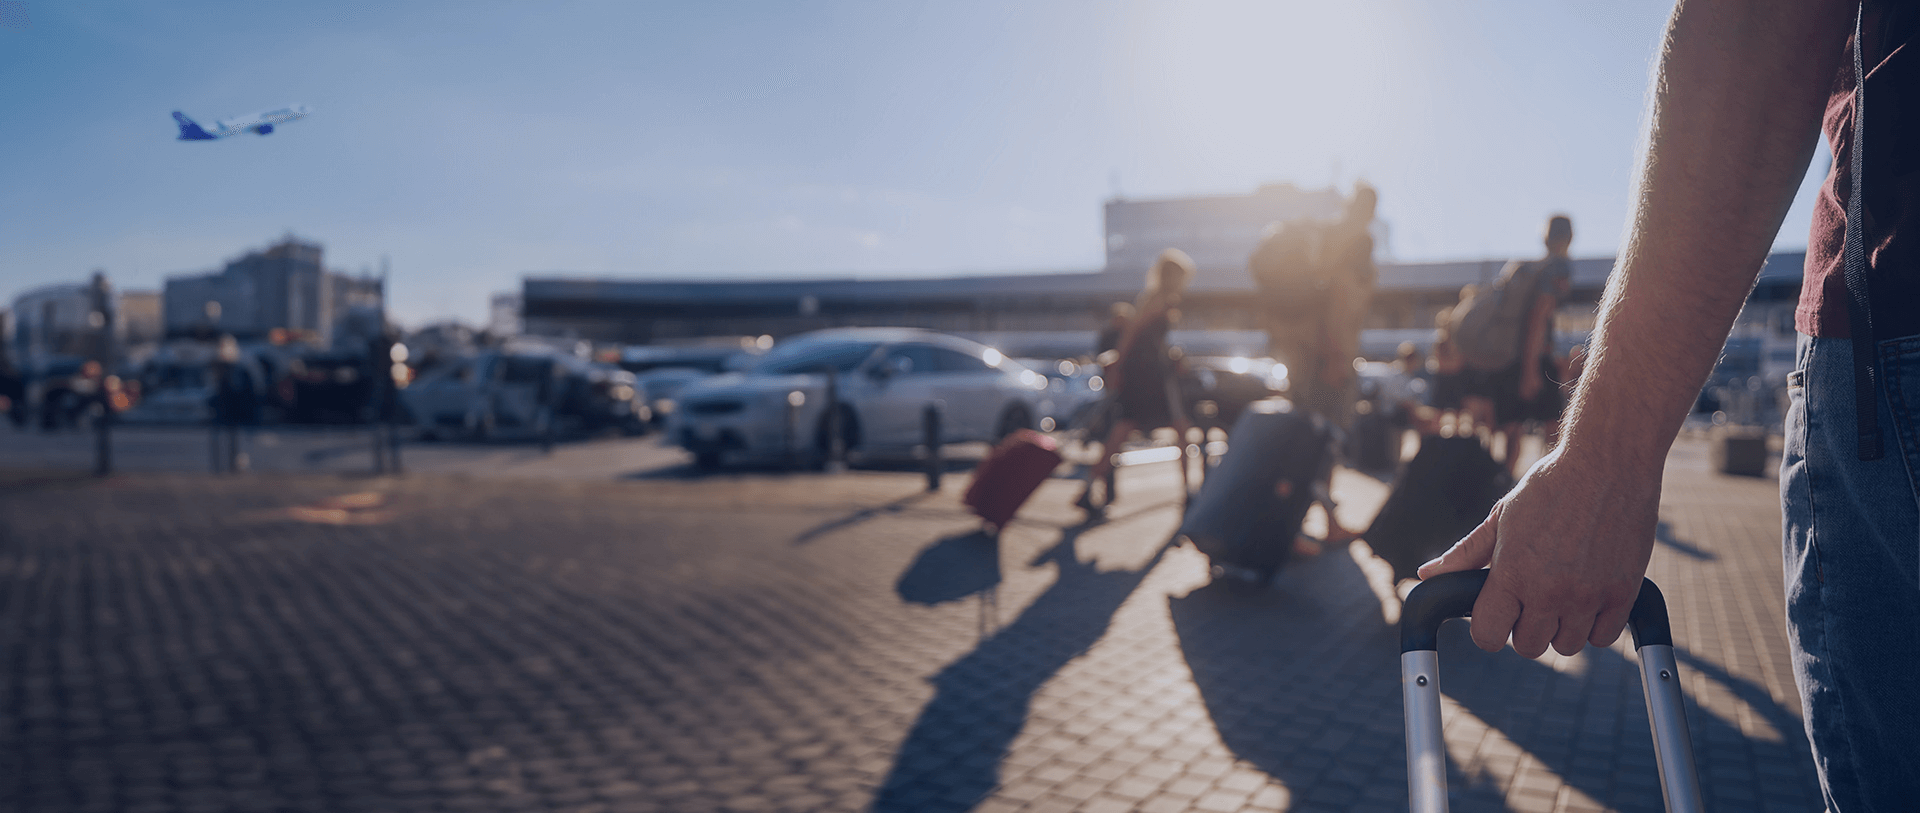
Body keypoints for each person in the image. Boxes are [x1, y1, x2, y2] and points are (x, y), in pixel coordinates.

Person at [1418, 2, 1919, 808]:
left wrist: (1603, 459)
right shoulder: (1542, 272)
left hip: (1898, 312)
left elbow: (1764, 20)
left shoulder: (1532, 275)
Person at [1077, 249, 1194, 514]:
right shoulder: (1159, 299)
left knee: (1123, 431)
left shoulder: (1157, 298)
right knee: (1182, 429)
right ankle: (1189, 492)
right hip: (1150, 377)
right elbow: (1132, 334)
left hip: (1143, 374)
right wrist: (1118, 367)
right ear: (1173, 276)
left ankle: (1087, 487)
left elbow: (1147, 338)